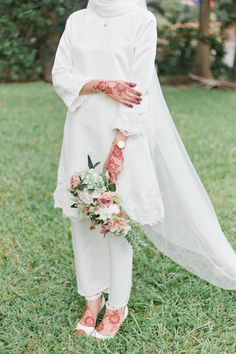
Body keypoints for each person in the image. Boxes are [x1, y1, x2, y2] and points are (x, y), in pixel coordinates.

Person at [52, 0, 236, 340]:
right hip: (81, 128)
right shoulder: (77, 20)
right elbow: (60, 74)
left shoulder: (141, 20)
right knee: (82, 215)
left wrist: (120, 145)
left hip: (123, 132)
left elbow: (140, 89)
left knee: (113, 216)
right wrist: (103, 85)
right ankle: (91, 298)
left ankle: (117, 304)